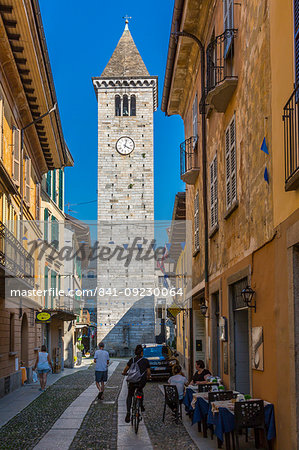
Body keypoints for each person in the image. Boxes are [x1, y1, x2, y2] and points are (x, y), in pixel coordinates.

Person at [122, 344, 151, 423]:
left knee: (130, 395)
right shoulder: (145, 361)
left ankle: (128, 412)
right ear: (142, 353)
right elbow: (148, 372)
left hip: (132, 381)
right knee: (140, 390)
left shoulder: (132, 360)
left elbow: (126, 369)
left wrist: (124, 373)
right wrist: (148, 377)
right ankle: (141, 406)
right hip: (141, 381)